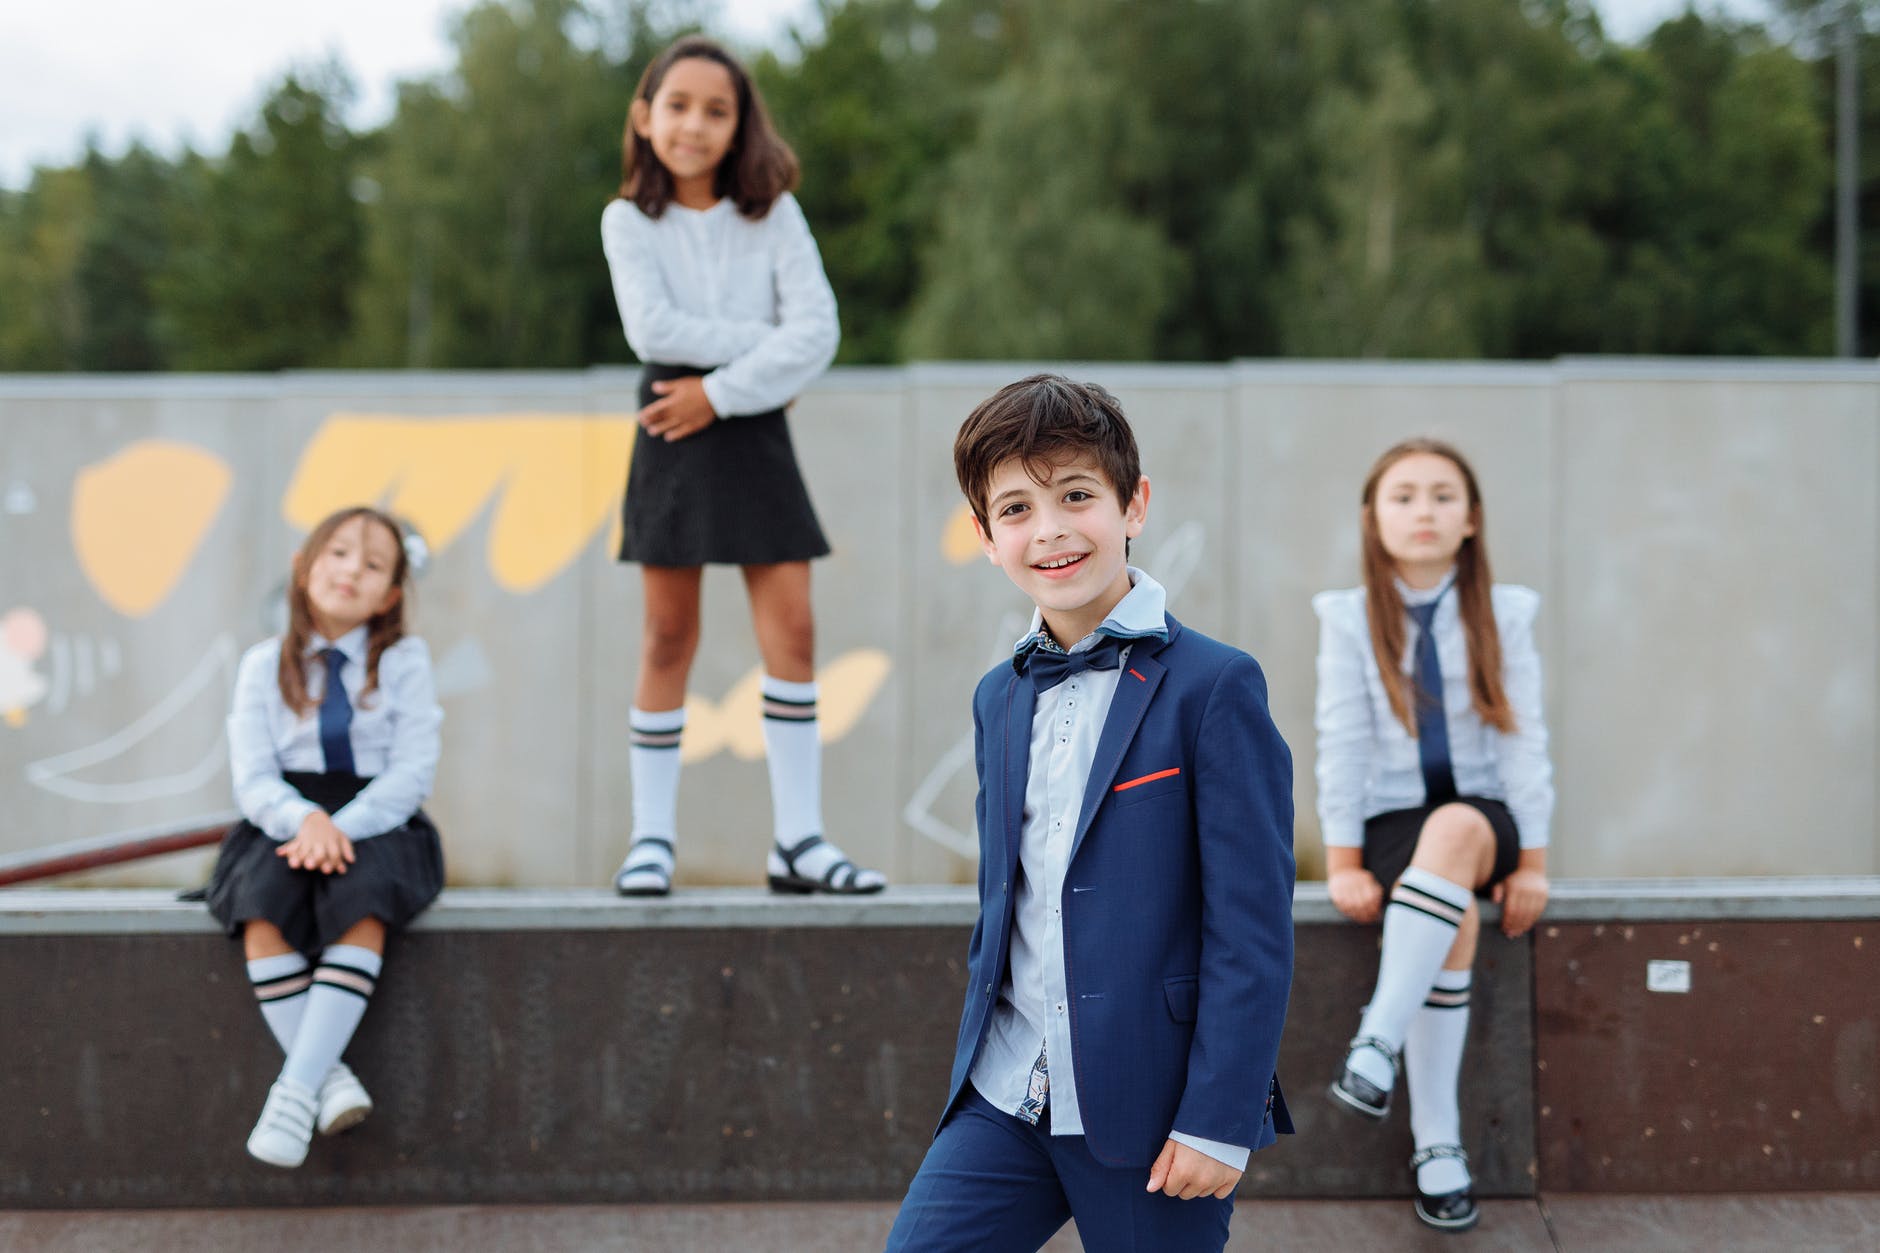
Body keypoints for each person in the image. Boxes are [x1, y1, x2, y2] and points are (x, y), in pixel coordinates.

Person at [885, 375, 1295, 1253]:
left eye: (1077, 496)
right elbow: (1012, 898)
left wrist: (1221, 1117)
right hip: (1006, 1093)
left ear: (1133, 504)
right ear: (986, 539)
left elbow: (1252, 924)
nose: (1052, 529)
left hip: (1152, 1107)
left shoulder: (1215, 686)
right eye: (1018, 509)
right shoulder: (998, 696)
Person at [600, 35, 882, 898]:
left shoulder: (776, 213)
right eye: (677, 105)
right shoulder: (627, 221)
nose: (694, 124)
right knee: (667, 634)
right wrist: (768, 353)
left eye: (715, 110)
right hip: (670, 427)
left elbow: (822, 331)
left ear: (738, 125)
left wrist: (721, 392)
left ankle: (798, 840)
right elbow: (653, 333)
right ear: (646, 117)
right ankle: (651, 839)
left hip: (743, 424)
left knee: (793, 631)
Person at [1316, 437, 1554, 1232]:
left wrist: (1536, 864)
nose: (1425, 510)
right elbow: (1340, 741)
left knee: (1453, 832)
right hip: (1394, 828)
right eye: (1405, 495)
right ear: (1372, 518)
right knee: (1442, 905)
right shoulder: (1348, 618)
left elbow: (1525, 741)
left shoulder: (1505, 610)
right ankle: (1438, 1145)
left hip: (1485, 818)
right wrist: (1344, 860)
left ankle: (1374, 1041)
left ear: (1473, 519)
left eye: (1444, 496)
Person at [204, 505, 444, 1168]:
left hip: (375, 816)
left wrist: (341, 826)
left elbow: (411, 771)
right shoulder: (261, 665)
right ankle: (326, 1078)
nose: (350, 572)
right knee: (261, 902)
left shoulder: (405, 661)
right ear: (304, 566)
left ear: (391, 594)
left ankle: (292, 1091)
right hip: (284, 814)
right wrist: (302, 819)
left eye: (372, 565)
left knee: (364, 897)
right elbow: (251, 776)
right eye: (337, 553)